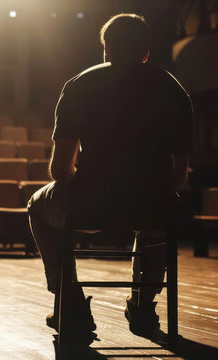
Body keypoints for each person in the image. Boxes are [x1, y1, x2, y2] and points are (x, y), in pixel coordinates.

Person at [27, 13, 193, 343]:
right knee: (160, 207)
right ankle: (143, 306)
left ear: (106, 48)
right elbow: (177, 176)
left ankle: (70, 303)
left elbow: (60, 172)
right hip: (151, 207)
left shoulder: (79, 85)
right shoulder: (174, 91)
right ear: (146, 52)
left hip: (91, 205)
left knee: (36, 206)